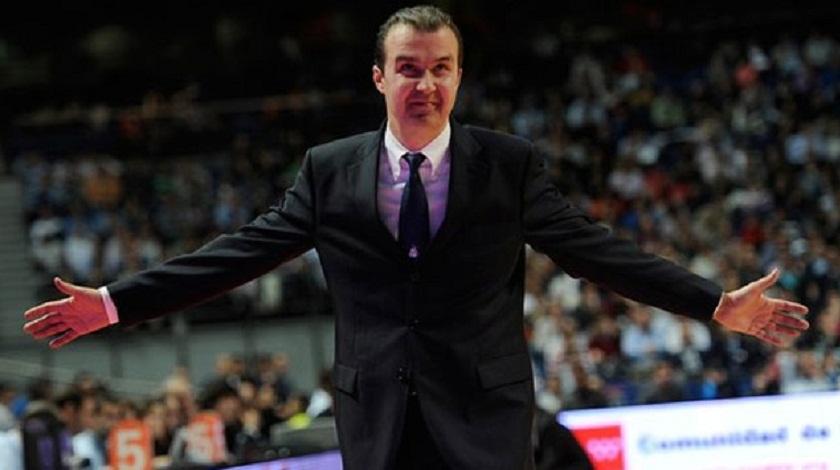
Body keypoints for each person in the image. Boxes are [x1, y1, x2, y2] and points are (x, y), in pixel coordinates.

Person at [22, 5, 810, 470]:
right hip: (379, 419)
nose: (424, 83)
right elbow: (238, 255)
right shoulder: (329, 170)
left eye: (440, 68)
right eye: (408, 68)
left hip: (486, 417)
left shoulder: (508, 165)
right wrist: (115, 303)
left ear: (459, 76)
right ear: (379, 77)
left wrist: (715, 304)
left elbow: (597, 252)